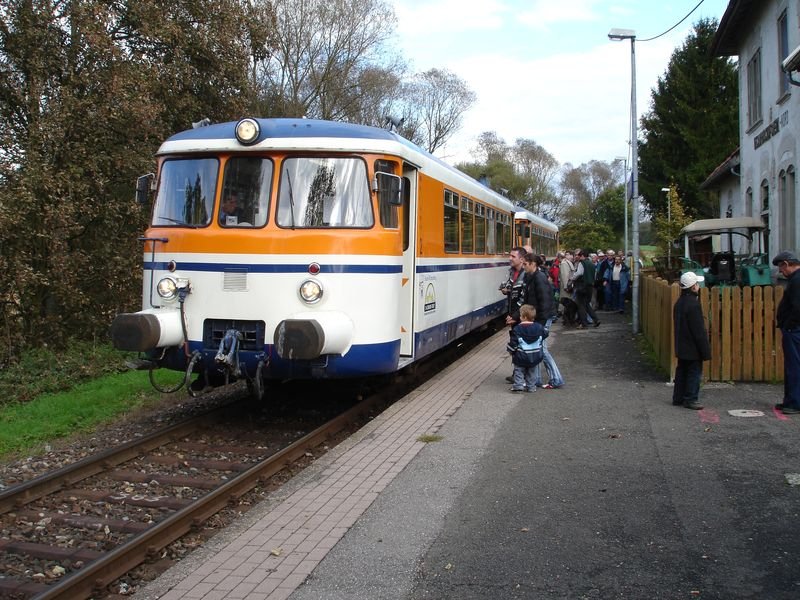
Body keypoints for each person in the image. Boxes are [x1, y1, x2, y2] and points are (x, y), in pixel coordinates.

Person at [522, 254, 565, 389]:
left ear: (533, 264)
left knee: (541, 349)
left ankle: (556, 378)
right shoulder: (533, 277)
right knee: (539, 348)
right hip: (540, 317)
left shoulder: (539, 278)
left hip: (542, 318)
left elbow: (545, 302)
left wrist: (539, 323)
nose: (524, 267)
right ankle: (536, 379)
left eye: (525, 264)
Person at [672, 271, 711, 410]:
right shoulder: (693, 305)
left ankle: (678, 397)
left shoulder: (679, 303)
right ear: (693, 287)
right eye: (697, 284)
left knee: (682, 370)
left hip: (681, 345)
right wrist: (705, 350)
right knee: (694, 372)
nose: (698, 286)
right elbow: (698, 330)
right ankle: (690, 398)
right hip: (692, 346)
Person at [773, 251, 800, 415]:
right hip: (793, 329)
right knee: (792, 365)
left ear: (786, 263)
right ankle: (790, 400)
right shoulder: (795, 279)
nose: (780, 272)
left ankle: (795, 402)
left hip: (795, 330)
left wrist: (789, 325)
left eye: (781, 267)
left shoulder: (797, 280)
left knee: (794, 366)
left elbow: (798, 307)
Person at [506, 304, 547, 392]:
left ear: (523, 317)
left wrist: (510, 350)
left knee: (519, 371)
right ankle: (531, 387)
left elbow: (514, 342)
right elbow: (545, 334)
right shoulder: (539, 327)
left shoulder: (517, 328)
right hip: (535, 354)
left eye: (520, 315)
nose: (519, 317)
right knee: (532, 372)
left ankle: (518, 386)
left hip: (521, 355)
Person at [501, 247, 527, 383]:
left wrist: (515, 316)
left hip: (522, 316)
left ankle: (523, 377)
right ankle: (517, 374)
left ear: (521, 259)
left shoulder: (526, 274)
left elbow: (524, 299)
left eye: (513, 256)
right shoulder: (512, 272)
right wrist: (506, 290)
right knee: (515, 344)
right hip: (513, 313)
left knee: (522, 345)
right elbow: (512, 289)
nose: (510, 258)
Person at [570, 249, 600, 328]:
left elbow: (579, 273)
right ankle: (596, 319)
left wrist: (572, 278)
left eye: (579, 256)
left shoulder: (582, 263)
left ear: (582, 256)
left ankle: (584, 324)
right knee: (586, 304)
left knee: (581, 305)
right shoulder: (592, 264)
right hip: (590, 286)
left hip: (582, 286)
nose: (578, 257)